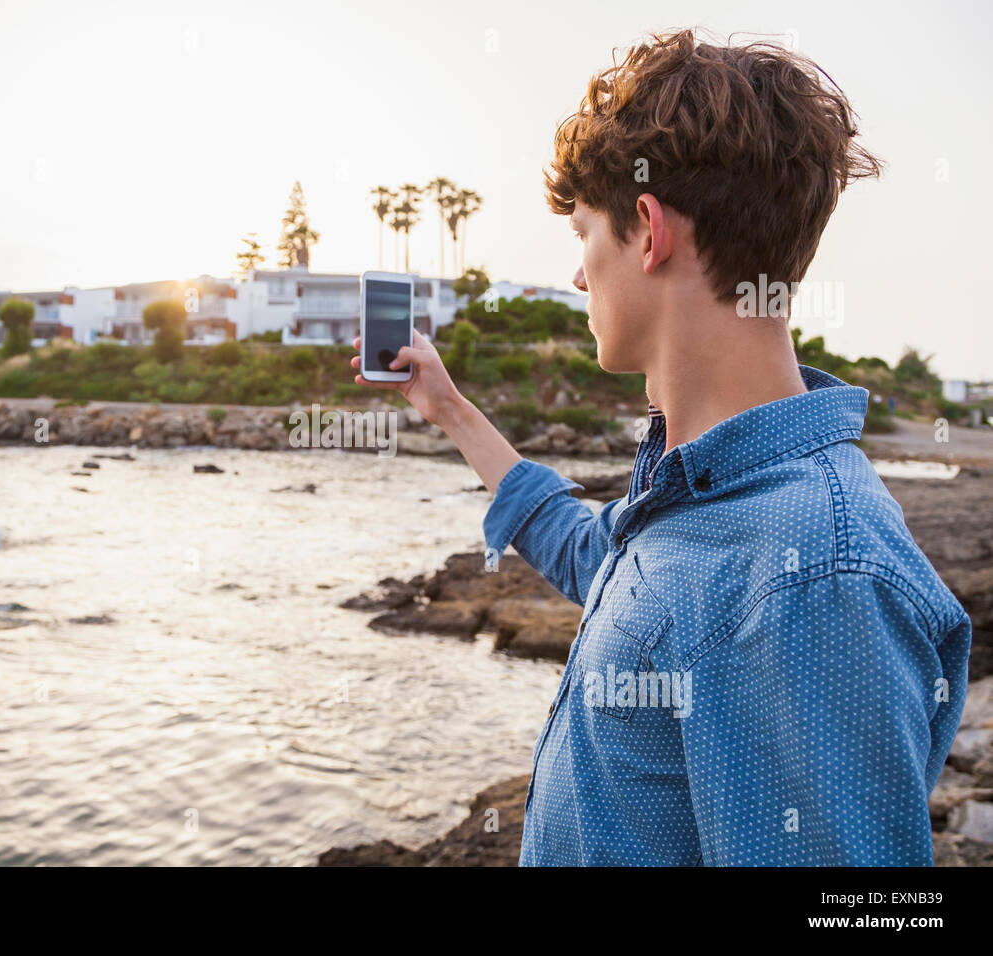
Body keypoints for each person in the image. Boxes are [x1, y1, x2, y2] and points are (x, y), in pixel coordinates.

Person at [350, 29, 970, 865]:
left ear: (647, 229)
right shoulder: (703, 495)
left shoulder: (817, 575)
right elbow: (586, 551)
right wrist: (450, 407)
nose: (577, 275)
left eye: (582, 236)